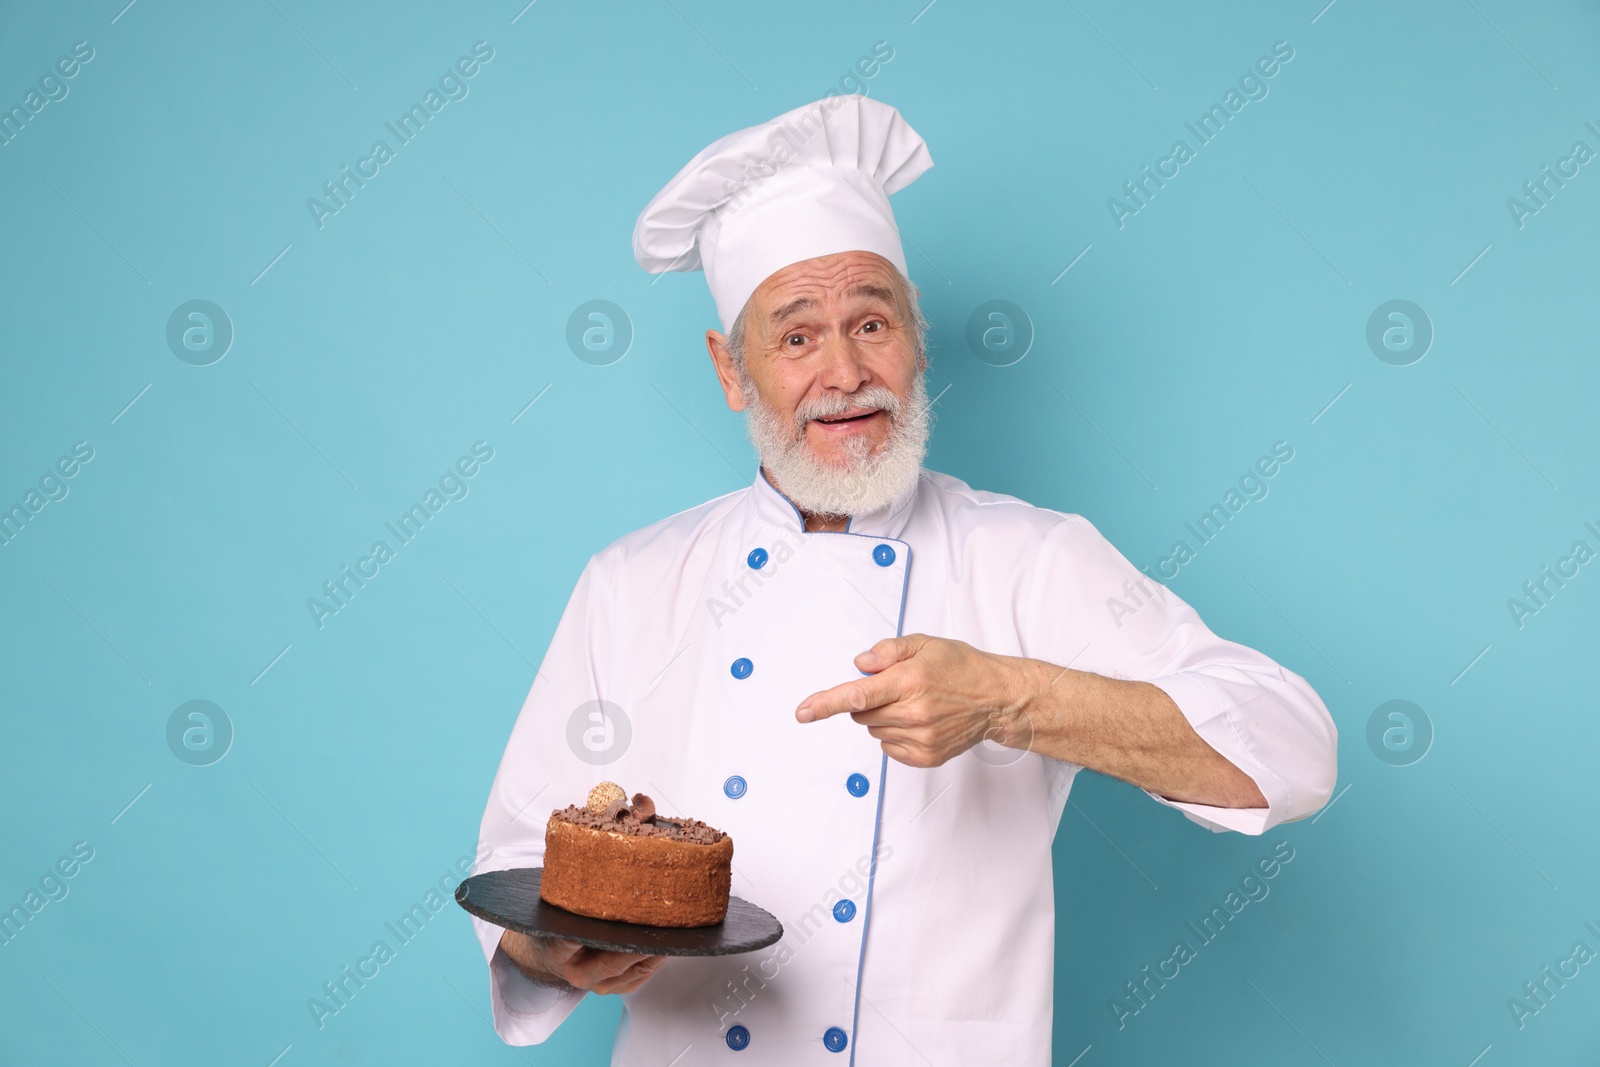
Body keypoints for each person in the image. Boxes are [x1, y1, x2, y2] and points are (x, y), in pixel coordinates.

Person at [468, 94, 1337, 1066]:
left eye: (871, 322)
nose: (844, 372)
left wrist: (1014, 696)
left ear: (916, 340)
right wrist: (555, 947)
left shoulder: (1027, 559)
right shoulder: (633, 581)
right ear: (729, 368)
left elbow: (1291, 751)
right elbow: (514, 863)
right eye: (795, 337)